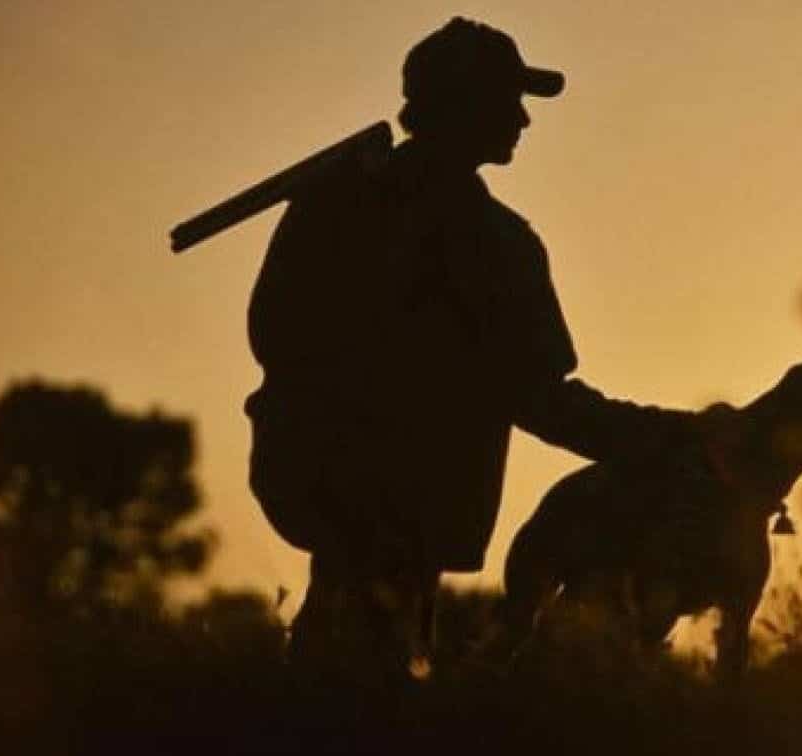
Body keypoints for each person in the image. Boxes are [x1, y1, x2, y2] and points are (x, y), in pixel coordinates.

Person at [244, 16, 738, 678]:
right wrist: (678, 437)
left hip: (313, 471)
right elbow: (542, 401)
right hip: (396, 489)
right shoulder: (496, 241)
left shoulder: (335, 199)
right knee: (370, 676)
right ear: (467, 104)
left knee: (339, 650)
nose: (524, 121)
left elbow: (273, 329)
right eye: (510, 101)